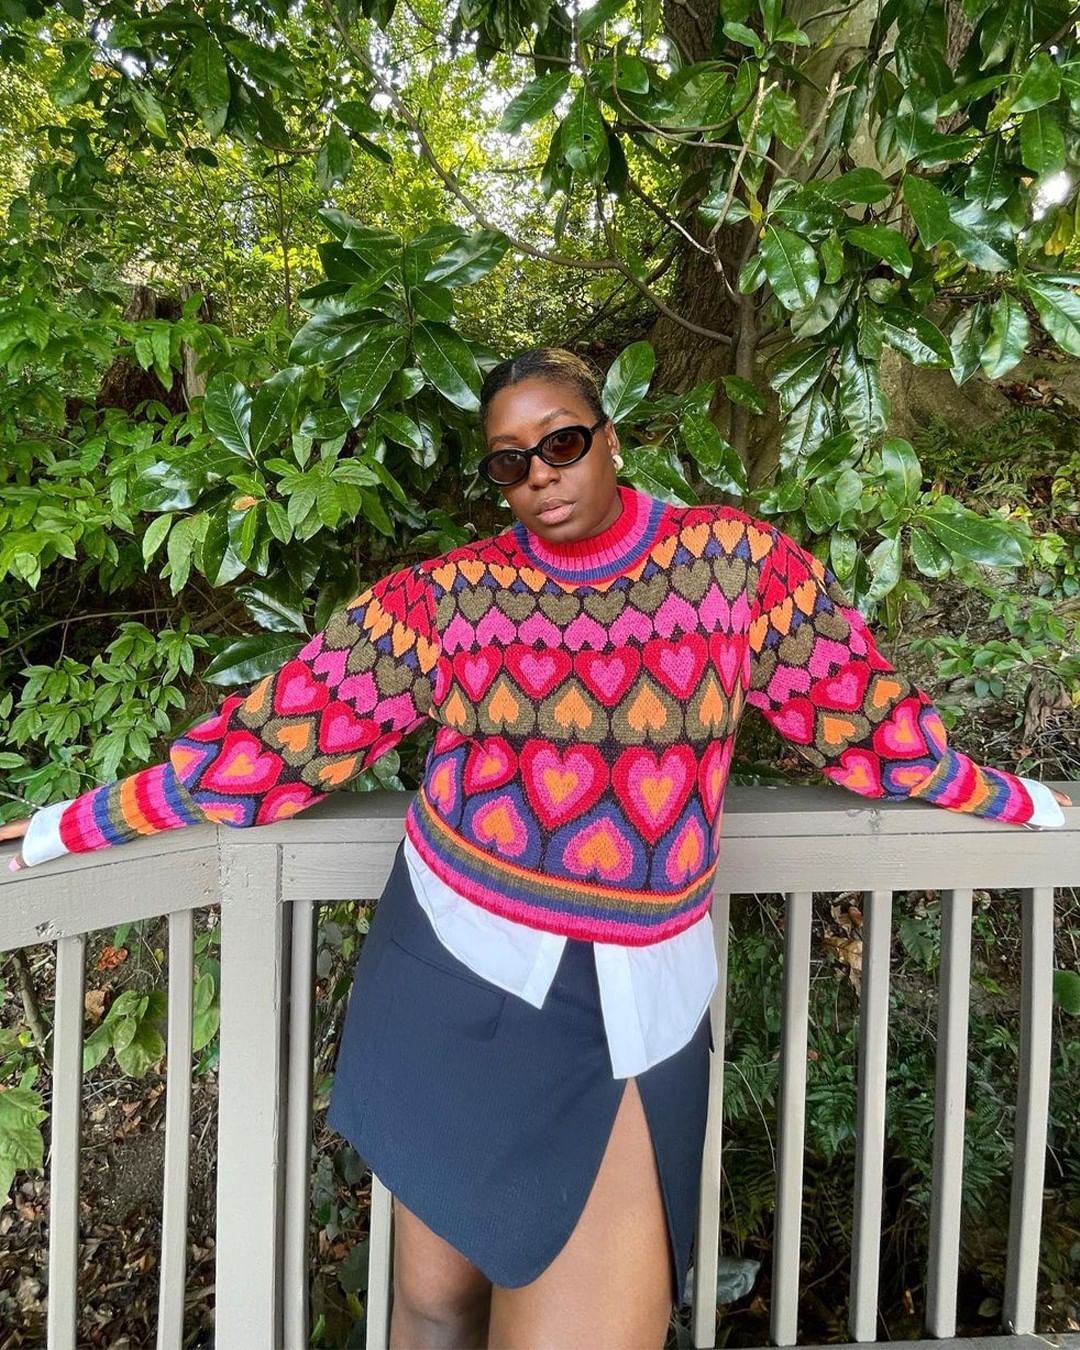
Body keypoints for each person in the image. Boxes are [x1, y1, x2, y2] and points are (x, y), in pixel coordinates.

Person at [3, 347, 1070, 1349]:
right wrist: (68, 825)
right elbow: (281, 737)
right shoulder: (446, 599)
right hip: (449, 972)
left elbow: (865, 721)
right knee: (432, 1311)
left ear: (612, 438)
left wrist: (1021, 801)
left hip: (633, 1007)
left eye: (561, 442)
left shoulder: (739, 569)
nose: (540, 476)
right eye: (510, 463)